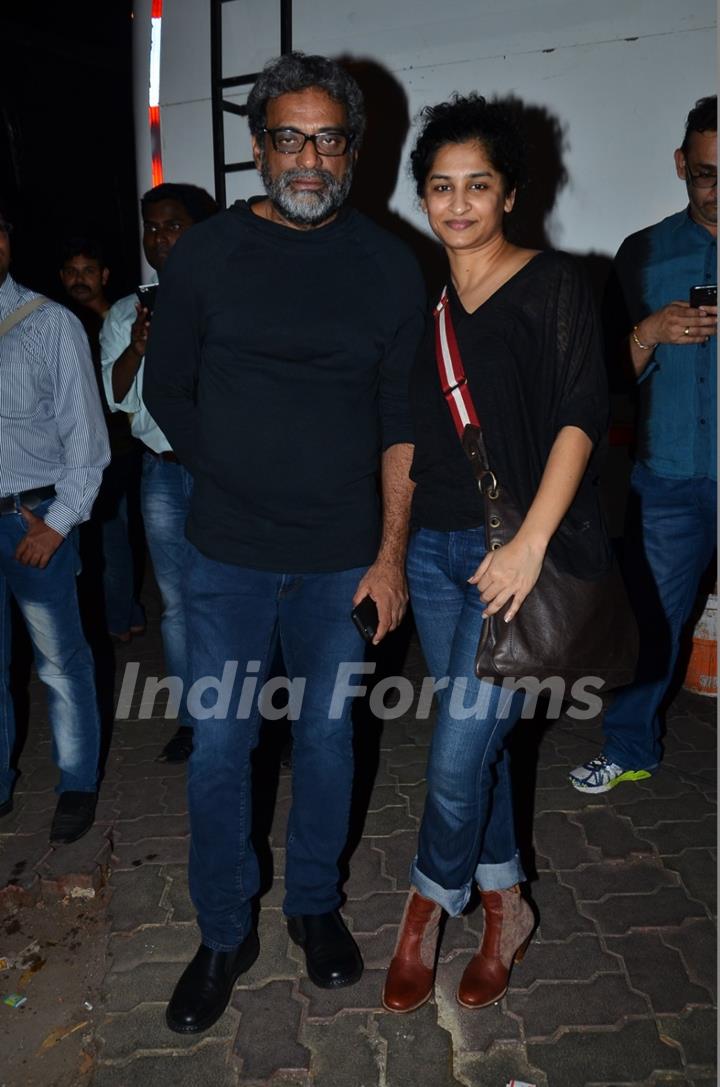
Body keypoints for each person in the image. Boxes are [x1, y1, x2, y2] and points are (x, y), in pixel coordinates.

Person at [142, 52, 425, 1034]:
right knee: (222, 747)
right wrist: (228, 474)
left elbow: (402, 420)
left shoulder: (390, 265)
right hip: (224, 555)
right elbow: (166, 388)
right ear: (258, 147)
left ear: (355, 149)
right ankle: (224, 929)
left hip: (343, 556)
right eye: (288, 138)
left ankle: (313, 905)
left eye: (328, 138)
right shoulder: (206, 257)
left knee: (330, 738)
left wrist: (390, 556)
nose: (309, 158)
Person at [381, 95, 610, 1014]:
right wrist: (390, 553)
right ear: (424, 199)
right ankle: (507, 903)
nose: (460, 202)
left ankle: (423, 908)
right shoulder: (423, 307)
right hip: (435, 554)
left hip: (511, 558)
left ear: (510, 192)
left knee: (452, 753)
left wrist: (528, 544)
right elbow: (404, 435)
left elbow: (580, 416)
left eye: (479, 184)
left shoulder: (557, 285)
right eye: (442, 186)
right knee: (474, 750)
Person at [569, 96, 717, 795]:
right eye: (707, 174)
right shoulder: (644, 253)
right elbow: (598, 378)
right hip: (668, 481)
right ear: (681, 165)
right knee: (650, 625)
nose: (718, 191)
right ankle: (629, 748)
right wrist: (650, 332)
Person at [0, 207, 110, 842]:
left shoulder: (49, 325)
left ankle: (76, 783)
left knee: (60, 664)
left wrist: (58, 522)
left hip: (31, 521)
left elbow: (88, 443)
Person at [101, 183, 218, 761]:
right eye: (152, 227)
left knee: (241, 593)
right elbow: (117, 397)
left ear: (199, 229)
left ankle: (262, 720)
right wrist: (138, 348)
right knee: (177, 603)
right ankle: (195, 721)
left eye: (173, 225)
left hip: (224, 470)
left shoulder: (225, 296)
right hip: (164, 474)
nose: (160, 237)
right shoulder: (128, 310)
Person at [59, 237, 145, 643]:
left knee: (113, 536)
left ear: (104, 275)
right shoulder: (54, 321)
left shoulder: (124, 318)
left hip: (117, 448)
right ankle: (120, 613)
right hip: (68, 450)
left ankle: (119, 619)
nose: (80, 279)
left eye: (88, 271)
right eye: (73, 272)